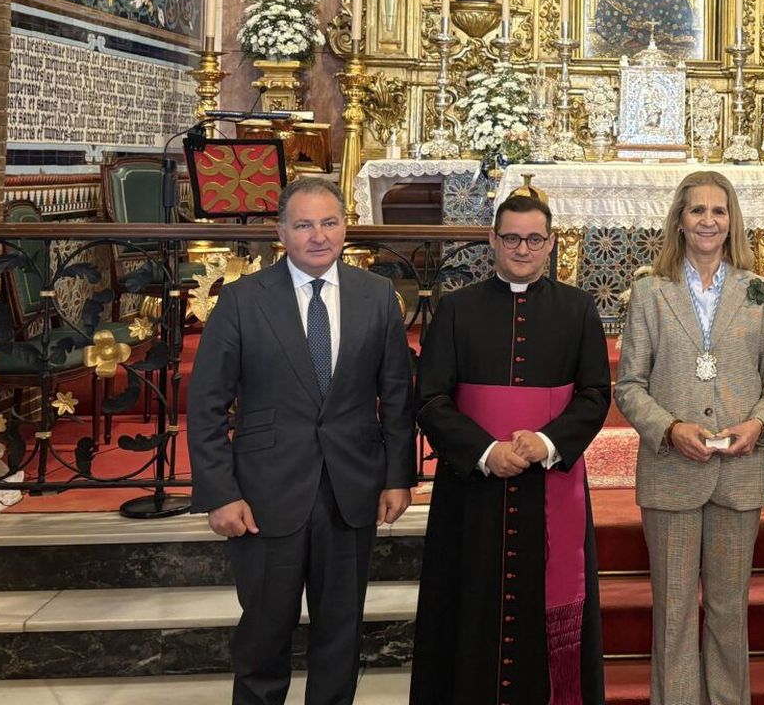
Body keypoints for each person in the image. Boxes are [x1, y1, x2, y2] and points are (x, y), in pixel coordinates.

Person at [187, 177, 414, 705]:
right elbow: (206, 405)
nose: (319, 236)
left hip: (350, 492)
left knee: (341, 637)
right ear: (281, 233)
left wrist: (398, 477)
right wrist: (219, 492)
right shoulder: (243, 300)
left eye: (330, 222)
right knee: (264, 637)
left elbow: (398, 396)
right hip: (265, 495)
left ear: (345, 229)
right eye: (305, 224)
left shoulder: (377, 295)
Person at [410, 193, 611, 705]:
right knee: (468, 601)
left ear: (550, 244)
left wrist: (547, 441)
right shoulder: (456, 309)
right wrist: (483, 451)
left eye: (535, 239)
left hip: (553, 482)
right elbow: (431, 397)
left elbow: (594, 395)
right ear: (493, 241)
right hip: (471, 489)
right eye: (512, 238)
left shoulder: (577, 307)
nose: (523, 249)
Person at [614, 171, 764, 704]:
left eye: (719, 211)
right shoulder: (649, 291)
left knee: (730, 607)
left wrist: (759, 424)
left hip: (739, 470)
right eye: (697, 211)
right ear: (680, 221)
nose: (708, 221)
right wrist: (669, 428)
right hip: (672, 469)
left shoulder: (760, 290)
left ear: (732, 220)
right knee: (673, 609)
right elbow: (629, 385)